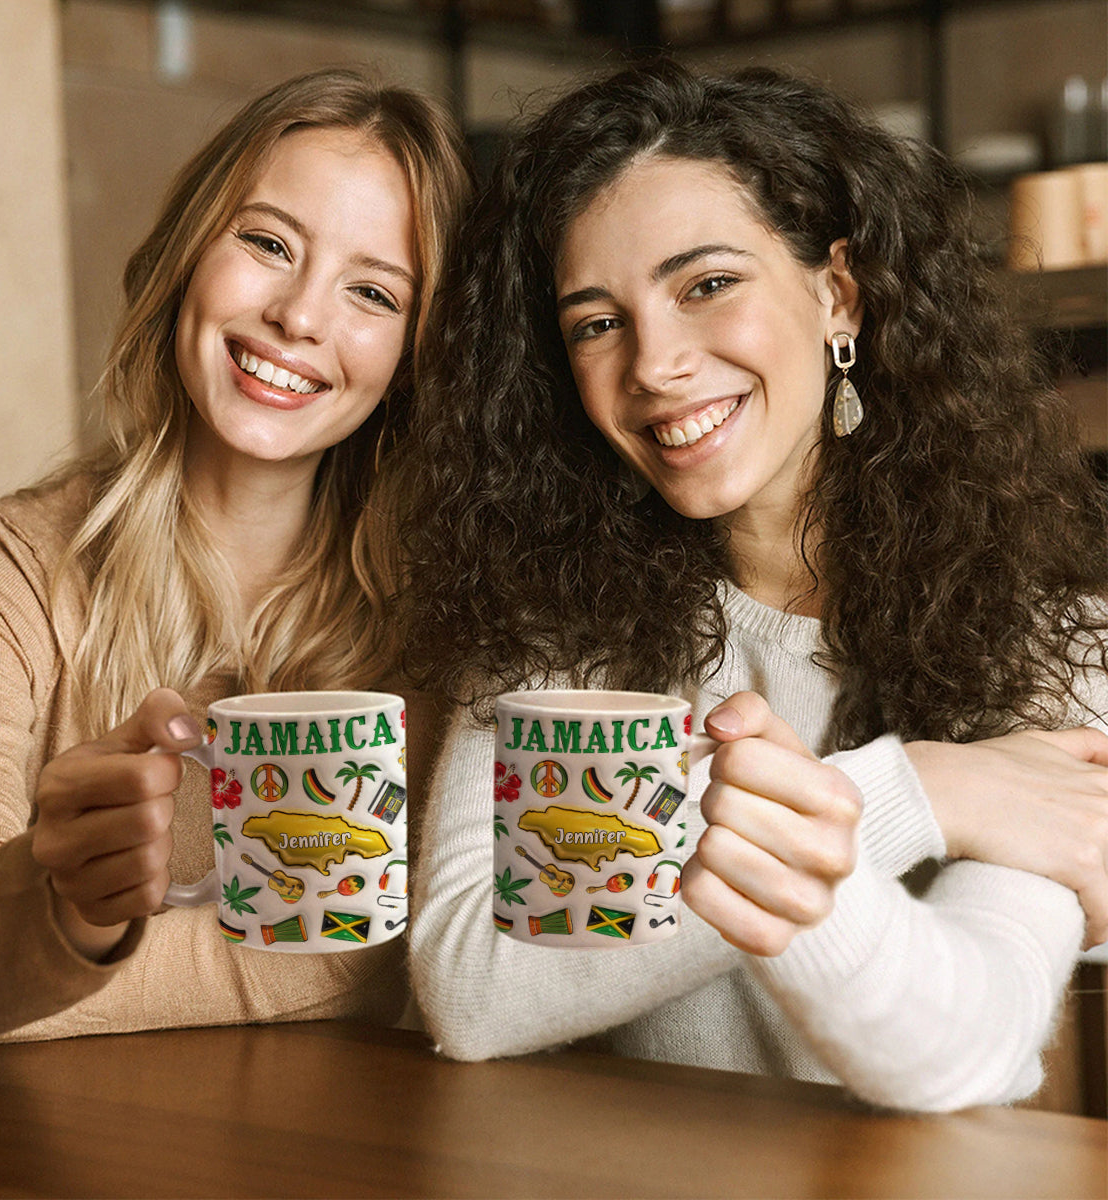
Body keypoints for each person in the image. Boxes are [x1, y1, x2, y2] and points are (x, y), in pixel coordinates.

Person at [396, 60, 1108, 1111]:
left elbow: (963, 1045)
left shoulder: (1052, 638)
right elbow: (470, 990)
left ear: (838, 295)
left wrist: (821, 810)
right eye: (597, 322)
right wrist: (914, 793)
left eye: (707, 285)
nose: (654, 363)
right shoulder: (552, 632)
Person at [0, 69, 471, 1048]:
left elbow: (434, 944)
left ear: (416, 356)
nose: (300, 316)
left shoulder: (448, 622)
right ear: (185, 257)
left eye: (373, 292)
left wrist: (53, 974)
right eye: (266, 243)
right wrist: (65, 910)